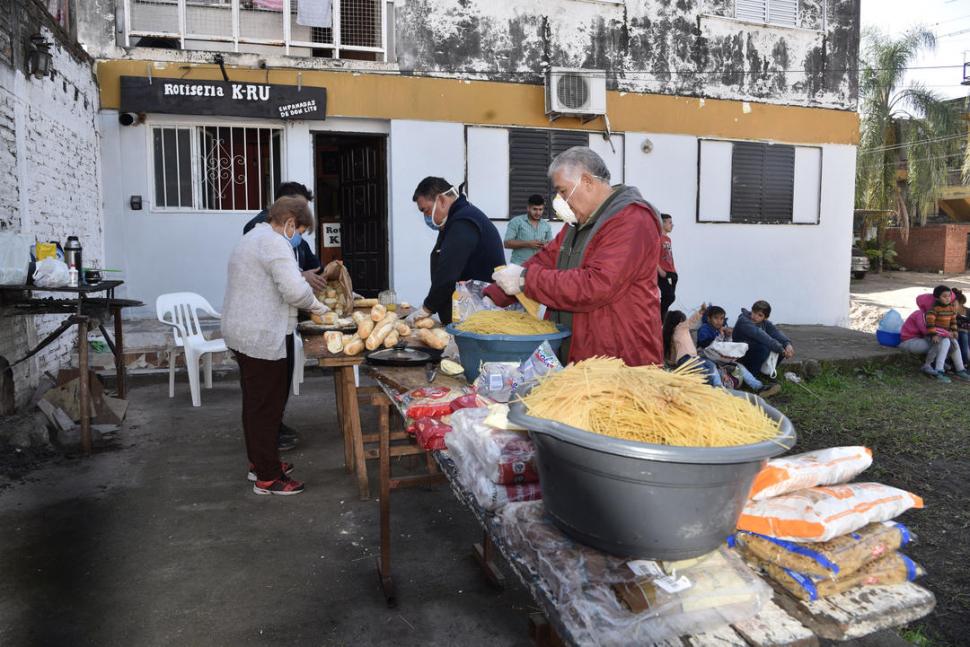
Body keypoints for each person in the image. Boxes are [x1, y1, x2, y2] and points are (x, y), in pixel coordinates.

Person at [487, 147, 663, 366]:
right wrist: (492, 295)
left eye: (563, 191)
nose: (560, 200)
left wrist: (525, 280)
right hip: (582, 346)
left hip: (619, 354)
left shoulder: (632, 219)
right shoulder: (578, 224)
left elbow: (597, 285)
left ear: (587, 181)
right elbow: (546, 258)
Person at [223, 196, 330, 495]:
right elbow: (295, 291)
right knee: (266, 406)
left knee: (257, 403)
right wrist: (322, 310)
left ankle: (262, 462)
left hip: (245, 331)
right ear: (290, 223)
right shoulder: (273, 242)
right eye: (301, 231)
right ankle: (268, 478)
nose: (299, 238)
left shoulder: (256, 235)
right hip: (260, 335)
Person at [243, 181, 327, 451]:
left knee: (276, 385)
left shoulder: (282, 235)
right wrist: (323, 310)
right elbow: (291, 287)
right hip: (261, 325)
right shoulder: (266, 236)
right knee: (263, 395)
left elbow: (312, 264)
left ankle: (268, 443)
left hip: (275, 322)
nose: (301, 233)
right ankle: (265, 461)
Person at [405, 177, 505, 325]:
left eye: (425, 210)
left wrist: (427, 308)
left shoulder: (464, 222)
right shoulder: (456, 219)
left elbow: (448, 272)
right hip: (470, 313)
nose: (426, 217)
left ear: (442, 200)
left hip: (479, 317)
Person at [697, 305, 780, 397]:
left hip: (719, 358)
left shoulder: (721, 329)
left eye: (721, 318)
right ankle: (719, 389)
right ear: (709, 319)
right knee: (712, 367)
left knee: (740, 367)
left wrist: (728, 336)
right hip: (705, 357)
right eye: (715, 318)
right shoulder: (704, 328)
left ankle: (759, 387)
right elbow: (706, 344)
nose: (719, 321)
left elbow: (726, 346)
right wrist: (720, 335)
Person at [732, 300, 794, 378]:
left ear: (765, 317)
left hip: (752, 352)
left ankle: (766, 374)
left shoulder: (765, 323)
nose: (755, 316)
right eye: (754, 312)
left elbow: (775, 332)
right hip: (740, 355)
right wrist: (781, 350)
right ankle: (751, 376)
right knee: (765, 348)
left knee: (780, 347)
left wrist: (787, 344)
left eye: (760, 315)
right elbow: (762, 336)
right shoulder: (743, 321)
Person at [662, 307, 722, 386]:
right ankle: (714, 387)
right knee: (706, 373)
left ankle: (718, 385)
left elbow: (674, 352)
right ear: (680, 321)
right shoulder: (680, 328)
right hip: (686, 359)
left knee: (710, 365)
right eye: (684, 319)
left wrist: (673, 363)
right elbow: (691, 321)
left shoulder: (675, 334)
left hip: (693, 358)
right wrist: (700, 312)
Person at [923, 285, 969, 381]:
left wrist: (955, 331)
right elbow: (930, 323)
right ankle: (939, 370)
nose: (948, 298)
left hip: (946, 334)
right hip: (936, 335)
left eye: (949, 296)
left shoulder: (950, 309)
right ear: (937, 297)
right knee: (946, 342)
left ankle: (960, 369)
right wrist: (933, 335)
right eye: (944, 296)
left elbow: (953, 321)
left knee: (955, 343)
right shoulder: (934, 309)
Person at [504, 194, 553, 265]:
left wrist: (546, 245)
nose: (538, 213)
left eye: (540, 209)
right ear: (528, 208)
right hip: (519, 265)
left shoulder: (546, 225)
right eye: (535, 209)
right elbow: (506, 243)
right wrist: (528, 244)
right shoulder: (516, 221)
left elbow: (551, 245)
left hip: (539, 266)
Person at [657, 213, 677, 319]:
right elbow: (652, 254)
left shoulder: (668, 239)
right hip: (663, 271)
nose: (672, 225)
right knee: (668, 296)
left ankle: (661, 317)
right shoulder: (657, 237)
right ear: (662, 223)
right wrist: (659, 270)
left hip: (671, 271)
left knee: (671, 297)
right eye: (669, 223)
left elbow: (669, 256)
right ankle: (659, 318)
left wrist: (673, 270)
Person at [953, 288, 969, 366]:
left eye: (954, 304)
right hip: (960, 335)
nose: (952, 306)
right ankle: (964, 362)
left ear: (961, 303)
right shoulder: (952, 314)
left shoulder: (968, 311)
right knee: (963, 334)